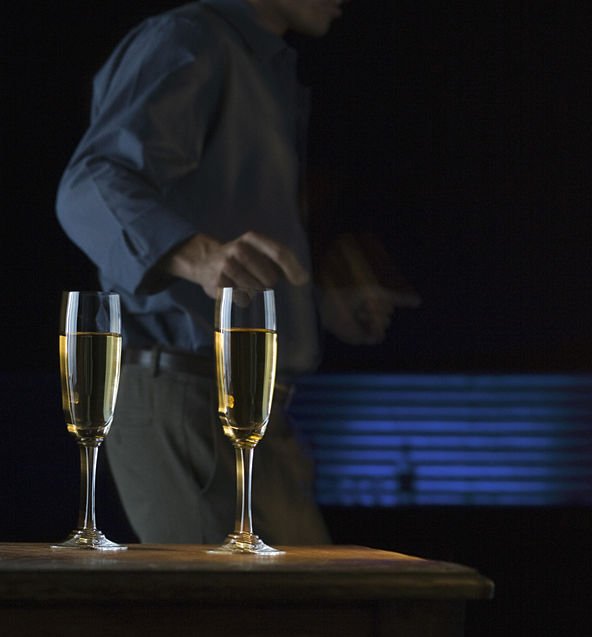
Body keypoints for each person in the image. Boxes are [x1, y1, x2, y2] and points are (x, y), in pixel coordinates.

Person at [56, 0, 412, 545]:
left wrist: (313, 301)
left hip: (254, 415)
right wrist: (196, 256)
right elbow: (91, 184)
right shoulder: (190, 39)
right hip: (189, 399)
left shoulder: (261, 67)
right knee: (240, 624)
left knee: (309, 619)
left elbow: (235, 243)